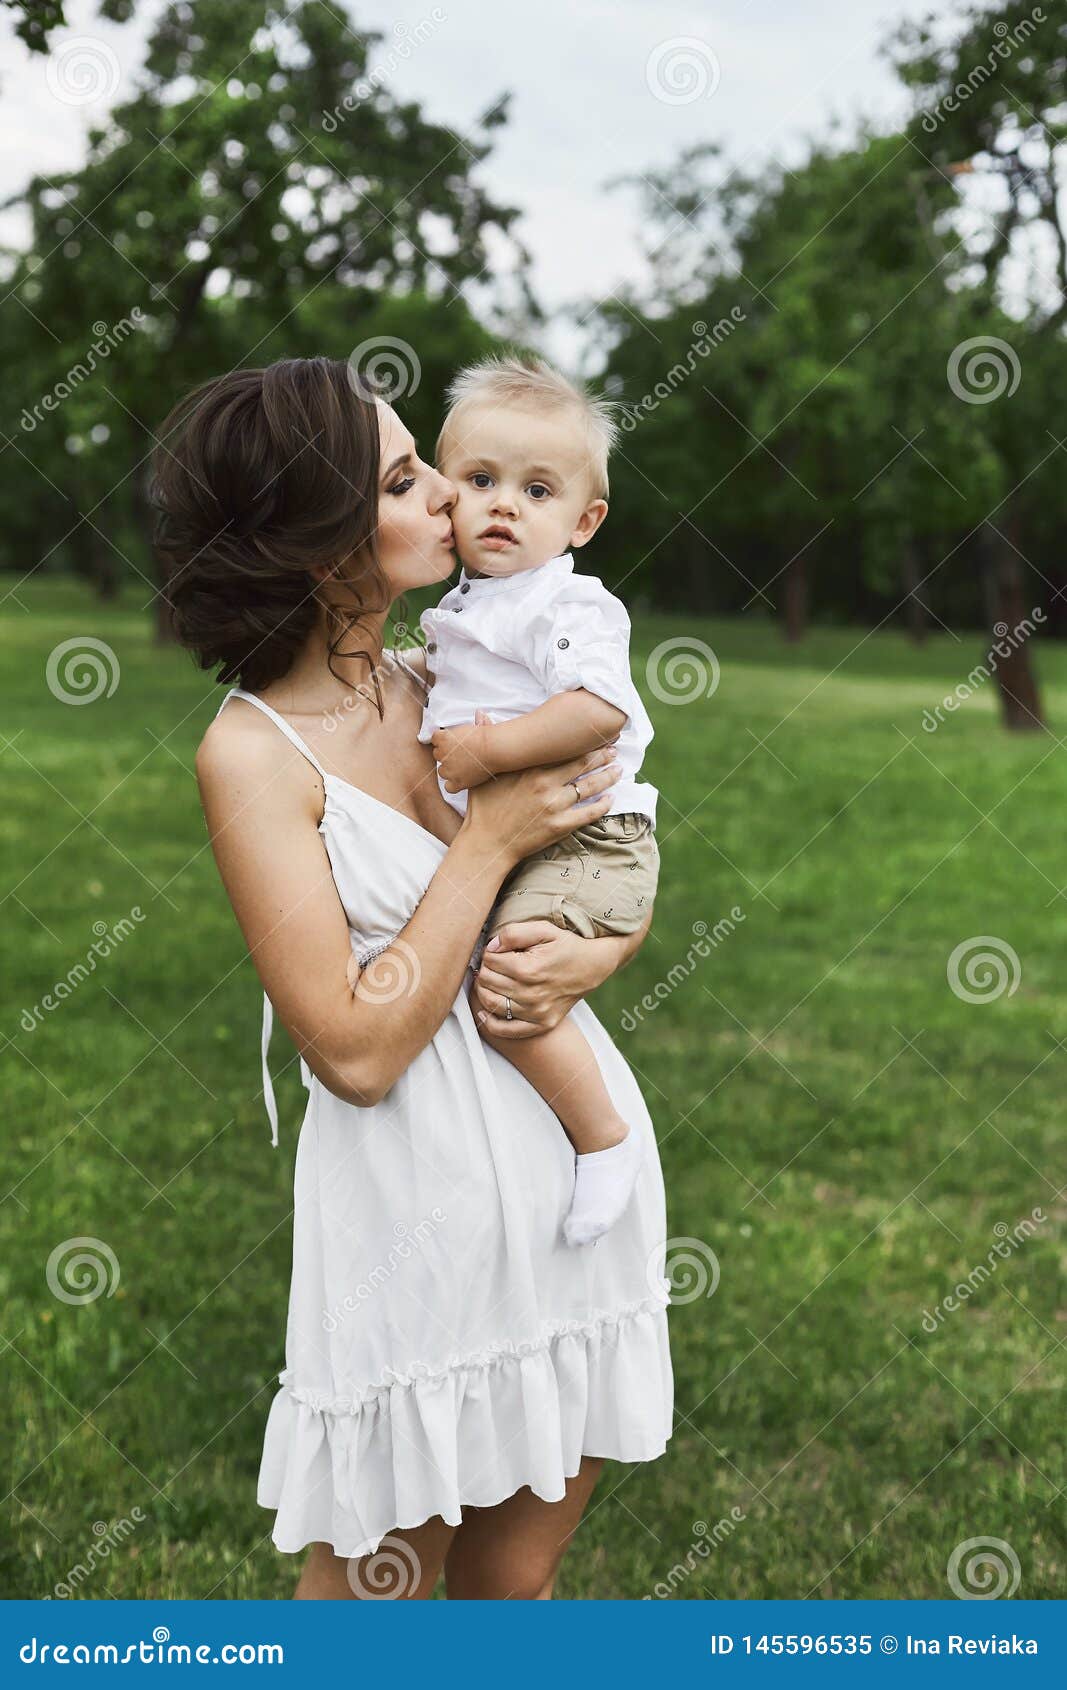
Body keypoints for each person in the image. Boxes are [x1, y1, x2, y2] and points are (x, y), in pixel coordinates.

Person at [152, 356, 673, 1600]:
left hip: (567, 1189)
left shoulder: (449, 680)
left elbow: (606, 860)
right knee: (367, 1614)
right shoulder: (251, 753)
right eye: (404, 477)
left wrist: (600, 950)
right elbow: (354, 1048)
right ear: (317, 535)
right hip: (411, 1235)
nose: (451, 492)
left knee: (510, 1597)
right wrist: (487, 838)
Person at [418, 354, 659, 1247]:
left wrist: (488, 751)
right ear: (446, 491)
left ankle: (603, 1139)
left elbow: (600, 710)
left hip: (590, 840)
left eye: (536, 489)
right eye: (479, 480)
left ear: (583, 521)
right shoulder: (474, 605)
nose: (503, 505)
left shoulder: (562, 602)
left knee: (508, 991)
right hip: (543, 839)